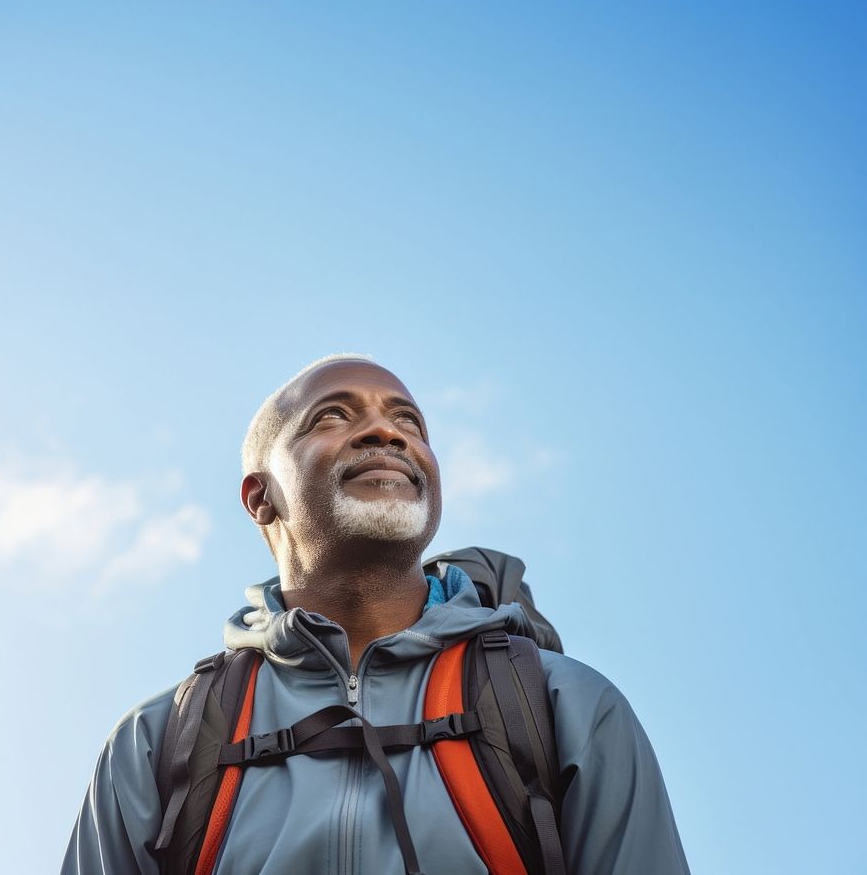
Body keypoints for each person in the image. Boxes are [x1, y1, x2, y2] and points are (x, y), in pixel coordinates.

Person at [62, 354, 691, 874]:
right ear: (261, 497)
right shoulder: (153, 745)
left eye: (409, 423)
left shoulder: (566, 704)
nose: (387, 433)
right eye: (332, 416)